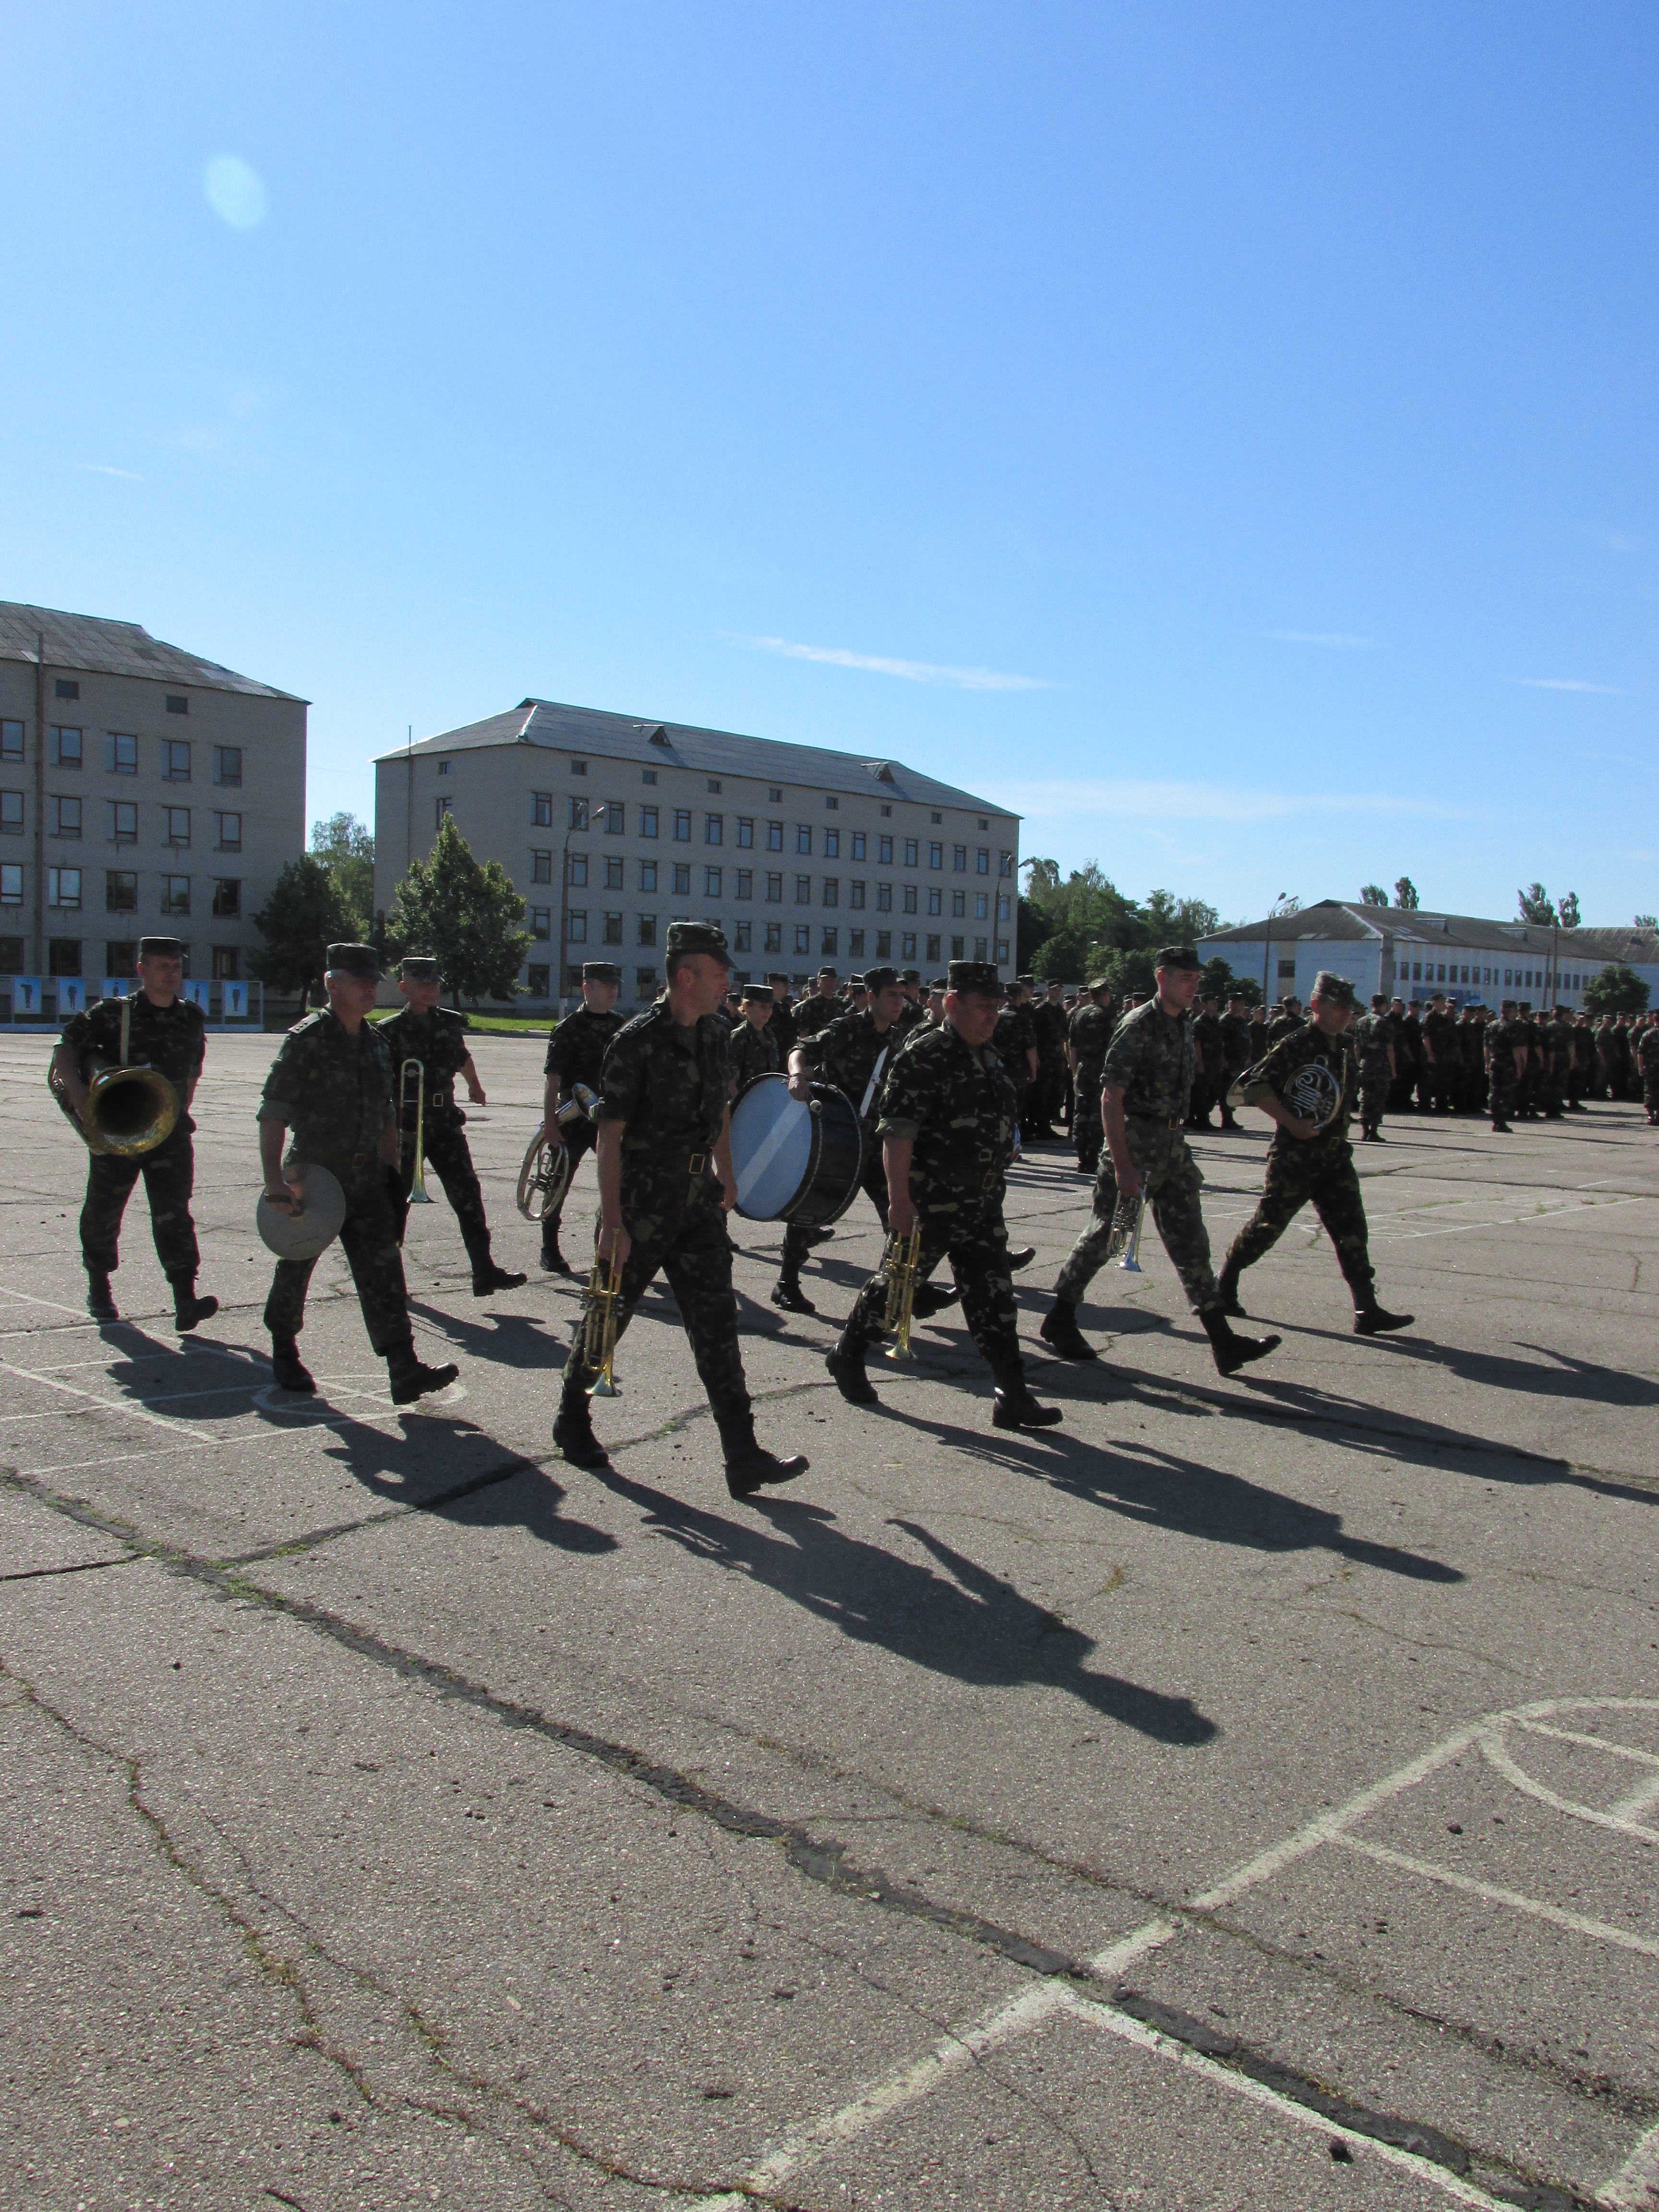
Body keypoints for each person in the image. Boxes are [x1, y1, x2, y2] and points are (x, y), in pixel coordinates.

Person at [552, 922, 807, 1498]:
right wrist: (612, 1223)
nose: (728, 983)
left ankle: (742, 1454)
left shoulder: (716, 1035)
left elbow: (721, 1110)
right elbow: (609, 1138)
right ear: (686, 976)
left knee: (717, 1326)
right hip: (641, 1204)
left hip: (698, 1204)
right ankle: (572, 1417)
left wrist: (726, 1172)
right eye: (719, 973)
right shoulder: (636, 1042)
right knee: (609, 1314)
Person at [823, 962, 1059, 1430]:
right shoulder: (925, 1055)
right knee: (896, 1289)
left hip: (982, 1201)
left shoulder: (988, 1055)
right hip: (930, 1202)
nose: (993, 1016)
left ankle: (1011, 1393)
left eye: (997, 1007)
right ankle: (848, 1352)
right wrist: (899, 1201)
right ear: (952, 1004)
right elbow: (898, 1132)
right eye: (984, 1006)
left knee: (995, 1298)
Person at [1039, 948, 1281, 1378]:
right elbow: (1111, 1097)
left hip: (1172, 1145)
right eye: (1186, 977)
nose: (1193, 985)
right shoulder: (1138, 1025)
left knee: (1192, 1242)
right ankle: (1060, 1316)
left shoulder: (1183, 1023)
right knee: (1107, 1236)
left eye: (1196, 978)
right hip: (1136, 1144)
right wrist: (1123, 1166)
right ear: (1162, 978)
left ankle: (1223, 1341)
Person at [258, 944, 458, 1403]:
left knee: (383, 1270)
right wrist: (274, 1182)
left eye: (373, 981)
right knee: (298, 1262)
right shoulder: (307, 1040)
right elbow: (273, 1114)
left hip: (367, 1176)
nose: (370, 988)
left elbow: (387, 1113)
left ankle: (403, 1366)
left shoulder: (376, 1042)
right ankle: (284, 1347)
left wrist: (392, 1172)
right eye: (360, 981)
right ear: (332, 984)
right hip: (315, 1175)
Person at [1215, 973, 1413, 1335]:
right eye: (1339, 1007)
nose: (1346, 1014)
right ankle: (1226, 1282)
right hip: (1297, 1156)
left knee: (1353, 1229)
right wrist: (1293, 1123)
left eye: (1349, 1008)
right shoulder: (1298, 1043)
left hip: (1335, 1156)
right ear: (1317, 1004)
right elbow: (1255, 1087)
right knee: (1268, 1227)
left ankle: (1366, 1308)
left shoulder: (1345, 1044)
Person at [53, 935, 215, 1328]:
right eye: (162, 967)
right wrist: (81, 1098)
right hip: (118, 1131)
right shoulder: (113, 1014)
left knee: (174, 1214)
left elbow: (192, 1073)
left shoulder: (191, 1017)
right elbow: (64, 1050)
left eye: (176, 967)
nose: (171, 974)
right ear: (141, 970)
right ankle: (99, 1284)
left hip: (169, 1132)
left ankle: (184, 1297)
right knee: (104, 1211)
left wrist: (176, 1112)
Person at [380, 956, 525, 1296]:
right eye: (423, 984)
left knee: (468, 1194)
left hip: (444, 1121)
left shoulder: (448, 1022)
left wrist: (475, 1085)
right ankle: (388, 1277)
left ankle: (484, 1270)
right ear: (404, 987)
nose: (432, 990)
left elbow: (462, 1056)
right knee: (396, 1201)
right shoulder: (388, 1030)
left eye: (435, 984)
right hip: (407, 1126)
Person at [772, 964, 907, 1313]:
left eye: (901, 995)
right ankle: (786, 1283)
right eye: (891, 995)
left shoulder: (898, 1037)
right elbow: (800, 1050)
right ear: (871, 997)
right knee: (810, 1208)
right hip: (839, 1135)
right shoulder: (846, 1029)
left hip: (874, 1140)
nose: (899, 1002)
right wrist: (797, 1076)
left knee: (896, 1211)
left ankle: (898, 1287)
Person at [538, 962, 626, 1275]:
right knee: (559, 1181)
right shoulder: (568, 1029)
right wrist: (551, 1123)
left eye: (615, 985)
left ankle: (607, 1246)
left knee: (621, 1181)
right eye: (606, 985)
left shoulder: (621, 1025)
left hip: (609, 1118)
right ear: (587, 988)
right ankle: (549, 1247)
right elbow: (553, 1079)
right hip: (574, 1119)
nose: (613, 990)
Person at [1067, 979, 1116, 1175]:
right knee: (1097, 1113)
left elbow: (1072, 1045)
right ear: (1104, 995)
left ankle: (1081, 1157)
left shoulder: (1079, 1014)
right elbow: (1114, 1047)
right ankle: (1092, 1156)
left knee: (1081, 1112)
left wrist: (1075, 1071)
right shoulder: (1107, 1016)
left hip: (1083, 1068)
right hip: (1102, 1069)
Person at [1354, 992, 1396, 1141]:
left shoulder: (1361, 1022)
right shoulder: (1386, 1023)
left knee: (1365, 1096)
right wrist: (1393, 1069)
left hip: (1366, 1063)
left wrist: (1356, 1064)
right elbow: (1389, 1049)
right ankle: (1373, 1130)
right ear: (1384, 1005)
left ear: (1372, 1004)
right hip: (1381, 1064)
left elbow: (1357, 1047)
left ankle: (1365, 1130)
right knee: (1379, 1097)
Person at [729, 979, 783, 1093]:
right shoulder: (739, 1037)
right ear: (747, 1007)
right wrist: (740, 1103)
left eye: (770, 1007)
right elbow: (731, 1082)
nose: (768, 1012)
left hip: (767, 1097)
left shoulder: (769, 1034)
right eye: (763, 1007)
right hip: (746, 1098)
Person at [1032, 980, 1070, 1138]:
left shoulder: (1061, 1011)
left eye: (1060, 990)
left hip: (1058, 1058)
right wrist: (1036, 1058)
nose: (1058, 993)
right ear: (1048, 991)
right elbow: (1034, 1036)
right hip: (1044, 1058)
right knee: (1043, 1092)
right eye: (1055, 990)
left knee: (1056, 1093)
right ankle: (1041, 1126)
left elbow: (1065, 1036)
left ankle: (1048, 1124)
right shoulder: (1041, 1010)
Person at [1188, 993, 1224, 1129]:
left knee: (1214, 1091)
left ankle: (1197, 1118)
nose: (1216, 1005)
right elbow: (1196, 1043)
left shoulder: (1215, 1022)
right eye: (1212, 1003)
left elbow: (1220, 1043)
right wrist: (1200, 1063)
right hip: (1205, 1062)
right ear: (1205, 1005)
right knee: (1201, 1092)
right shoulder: (1200, 1022)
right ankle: (1202, 1120)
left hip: (1215, 1062)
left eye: (1216, 1003)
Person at [1218, 995, 1253, 1131]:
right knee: (1226, 1090)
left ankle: (1230, 1117)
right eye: (1238, 1004)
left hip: (1240, 1062)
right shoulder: (1225, 1021)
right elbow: (1220, 1042)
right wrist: (1223, 1060)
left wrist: (1248, 1058)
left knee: (1235, 1090)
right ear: (1231, 1004)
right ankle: (1227, 1119)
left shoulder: (1242, 1021)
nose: (1241, 1007)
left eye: (1242, 1004)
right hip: (1230, 1061)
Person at [793, 967, 843, 1040]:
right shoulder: (810, 1004)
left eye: (831, 980)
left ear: (836, 983)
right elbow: (804, 1034)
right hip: (816, 1045)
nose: (828, 983)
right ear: (818, 983)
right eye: (825, 980)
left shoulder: (841, 1005)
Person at [766, 973, 798, 1056]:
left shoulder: (785, 1007)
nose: (788, 988)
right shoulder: (765, 1007)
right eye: (785, 985)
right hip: (771, 1053)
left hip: (785, 1053)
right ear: (775, 986)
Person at [1638, 1016, 1659, 1125]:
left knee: (1650, 1092)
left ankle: (1651, 1117)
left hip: (1650, 1068)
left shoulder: (1647, 1034)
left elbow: (1640, 1052)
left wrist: (1641, 1067)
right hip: (1652, 1069)